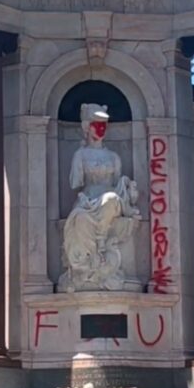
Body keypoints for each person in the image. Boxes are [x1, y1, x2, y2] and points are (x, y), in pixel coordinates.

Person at [59, 104, 141, 292]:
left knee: (111, 199)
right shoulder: (80, 155)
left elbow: (116, 183)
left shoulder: (113, 156)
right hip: (87, 200)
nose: (101, 128)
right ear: (87, 127)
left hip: (109, 201)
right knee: (78, 217)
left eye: (104, 124)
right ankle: (86, 264)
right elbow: (75, 183)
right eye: (97, 124)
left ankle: (102, 243)